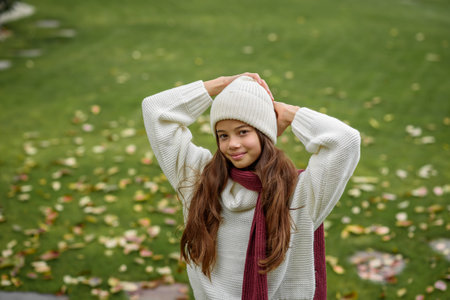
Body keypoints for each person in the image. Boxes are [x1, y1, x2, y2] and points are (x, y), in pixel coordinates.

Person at [142, 73, 361, 300]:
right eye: (223, 135)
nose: (233, 144)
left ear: (263, 133)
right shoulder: (199, 178)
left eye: (243, 131)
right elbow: (155, 110)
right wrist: (224, 84)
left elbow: (346, 141)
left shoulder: (298, 194)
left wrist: (288, 113)